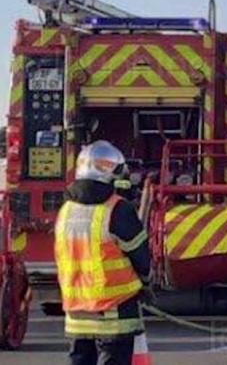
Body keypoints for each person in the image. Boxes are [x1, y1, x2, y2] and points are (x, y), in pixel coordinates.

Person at [55, 141, 152, 365]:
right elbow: (141, 257)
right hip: (115, 312)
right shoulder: (118, 209)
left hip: (77, 312)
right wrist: (146, 283)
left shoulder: (66, 210)